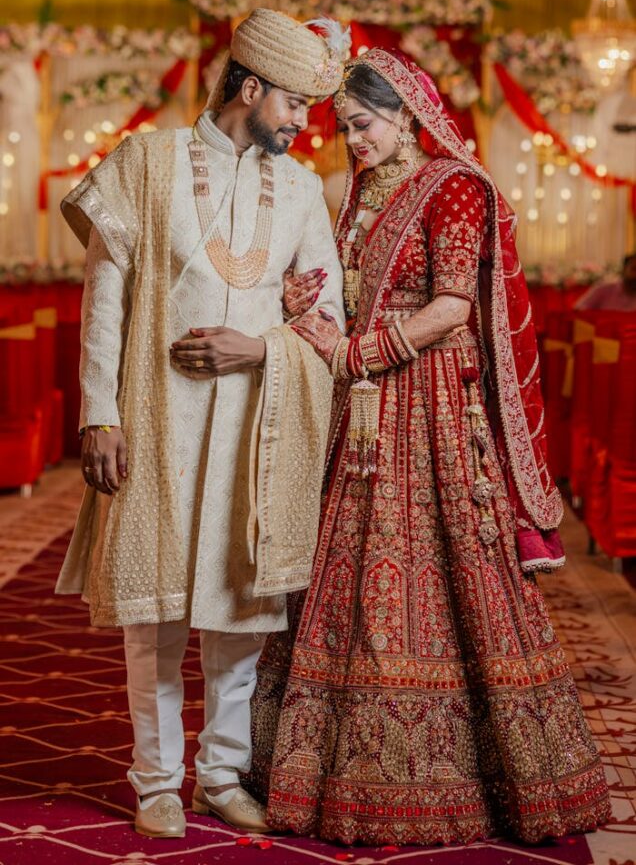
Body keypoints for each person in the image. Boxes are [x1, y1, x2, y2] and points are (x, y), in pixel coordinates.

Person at [248, 49, 611, 846]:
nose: (354, 141)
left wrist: (362, 354)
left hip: (430, 399)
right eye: (345, 129)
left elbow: (450, 306)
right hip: (363, 406)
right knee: (343, 564)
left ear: (409, 115)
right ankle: (324, 767)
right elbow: (348, 288)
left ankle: (468, 773)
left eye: (365, 125)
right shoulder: (364, 193)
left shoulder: (453, 188)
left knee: (444, 564)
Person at [55, 9, 348, 838]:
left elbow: (324, 314)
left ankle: (220, 775)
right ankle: (155, 782)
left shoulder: (298, 190)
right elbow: (104, 299)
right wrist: (98, 415)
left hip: (255, 428)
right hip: (155, 419)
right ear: (249, 87)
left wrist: (258, 347)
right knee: (153, 611)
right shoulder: (146, 161)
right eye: (293, 104)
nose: (302, 124)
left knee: (238, 612)